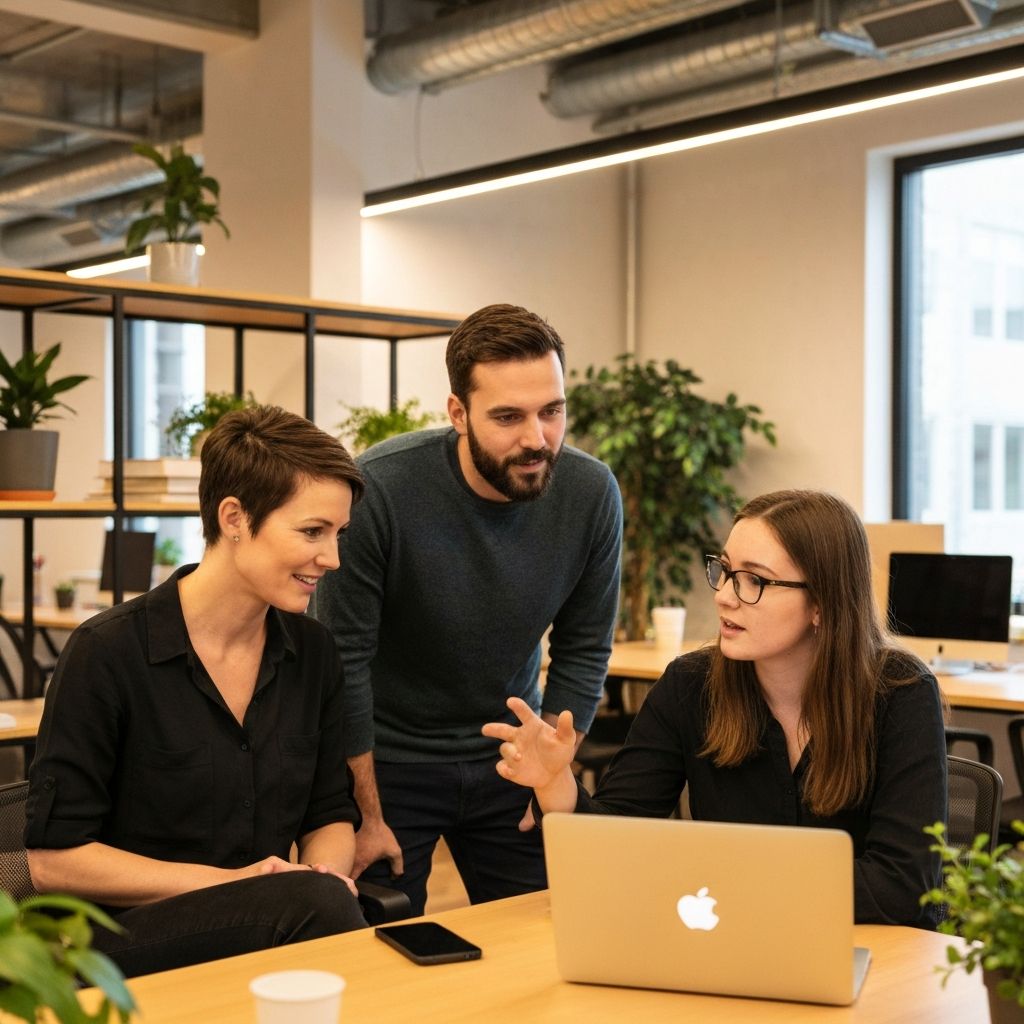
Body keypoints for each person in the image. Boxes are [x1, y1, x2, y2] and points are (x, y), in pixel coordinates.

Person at [484, 489, 947, 929]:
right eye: (724, 571)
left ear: (822, 604)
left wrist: (722, 884)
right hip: (734, 945)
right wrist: (555, 784)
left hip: (874, 954)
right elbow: (616, 843)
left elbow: (903, 884)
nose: (724, 595)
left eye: (754, 581)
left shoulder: (900, 692)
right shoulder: (691, 685)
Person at [25, 405, 368, 977]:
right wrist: (241, 886)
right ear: (234, 517)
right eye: (312, 531)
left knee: (326, 905)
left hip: (273, 919)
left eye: (339, 534)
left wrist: (324, 876)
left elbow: (329, 813)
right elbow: (52, 861)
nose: (332, 559)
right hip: (117, 942)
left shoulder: (313, 652)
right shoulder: (107, 652)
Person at [317, 302, 623, 915]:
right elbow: (342, 661)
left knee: (547, 930)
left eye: (552, 411)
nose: (536, 438)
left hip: (511, 753)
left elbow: (584, 648)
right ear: (457, 412)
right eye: (508, 417)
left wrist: (548, 769)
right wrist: (366, 811)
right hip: (386, 762)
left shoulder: (591, 494)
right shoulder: (379, 488)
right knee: (378, 939)